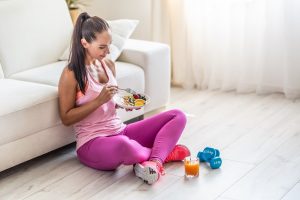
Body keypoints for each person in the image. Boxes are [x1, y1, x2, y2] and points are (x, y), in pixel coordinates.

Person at [58, 12, 190, 185]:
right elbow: (66, 118)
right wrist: (99, 100)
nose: (108, 51)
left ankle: (155, 161)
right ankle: (163, 153)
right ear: (85, 43)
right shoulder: (71, 74)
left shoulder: (109, 64)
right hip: (92, 142)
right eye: (102, 47)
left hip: (119, 130)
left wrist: (122, 103)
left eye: (109, 45)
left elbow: (111, 99)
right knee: (124, 145)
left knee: (178, 115)